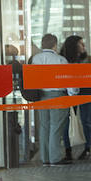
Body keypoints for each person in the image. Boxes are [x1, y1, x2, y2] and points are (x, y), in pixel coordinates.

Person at [31, 34, 68, 166]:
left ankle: (45, 158)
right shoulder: (60, 60)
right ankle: (55, 158)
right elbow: (68, 80)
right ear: (55, 45)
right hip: (57, 95)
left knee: (44, 126)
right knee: (56, 127)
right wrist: (73, 93)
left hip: (41, 96)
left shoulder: (36, 59)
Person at [61, 34, 91, 161]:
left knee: (86, 121)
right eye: (81, 43)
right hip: (69, 94)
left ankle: (87, 149)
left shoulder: (88, 59)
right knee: (67, 122)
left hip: (86, 93)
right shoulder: (64, 60)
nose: (84, 46)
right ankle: (68, 150)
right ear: (74, 46)